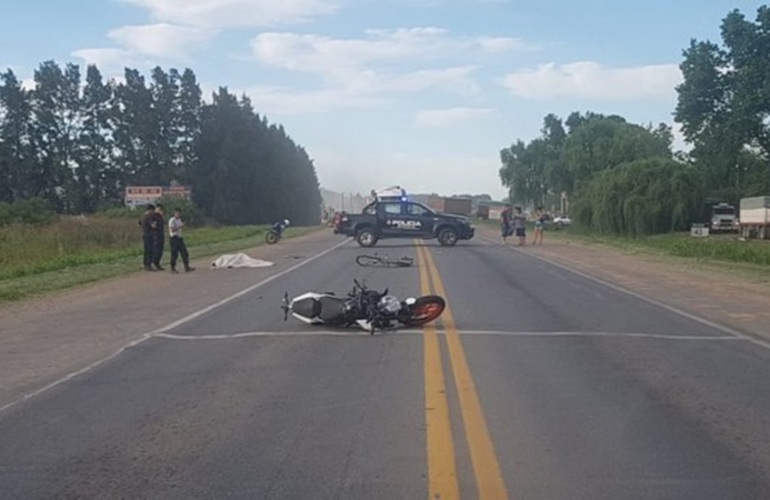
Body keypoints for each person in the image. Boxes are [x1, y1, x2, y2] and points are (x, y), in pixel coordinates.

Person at [168, 208, 195, 273]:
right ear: (174, 213)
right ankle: (173, 267)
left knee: (184, 252)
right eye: (177, 213)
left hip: (179, 238)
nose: (178, 215)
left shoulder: (179, 220)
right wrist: (180, 226)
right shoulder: (172, 220)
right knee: (174, 254)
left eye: (179, 213)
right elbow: (172, 229)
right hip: (174, 238)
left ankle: (186, 266)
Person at [139, 204, 156, 271]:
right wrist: (154, 224)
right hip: (149, 235)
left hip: (144, 234)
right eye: (152, 210)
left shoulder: (142, 216)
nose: (153, 212)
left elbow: (138, 224)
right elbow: (153, 226)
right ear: (150, 210)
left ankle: (145, 264)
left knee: (146, 250)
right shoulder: (149, 217)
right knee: (150, 250)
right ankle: (148, 265)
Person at [151, 203, 166, 271]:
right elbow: (153, 225)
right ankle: (154, 262)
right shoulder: (153, 216)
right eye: (159, 209)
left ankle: (157, 263)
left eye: (161, 209)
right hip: (156, 235)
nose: (161, 211)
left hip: (161, 234)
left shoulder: (161, 217)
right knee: (156, 249)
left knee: (160, 250)